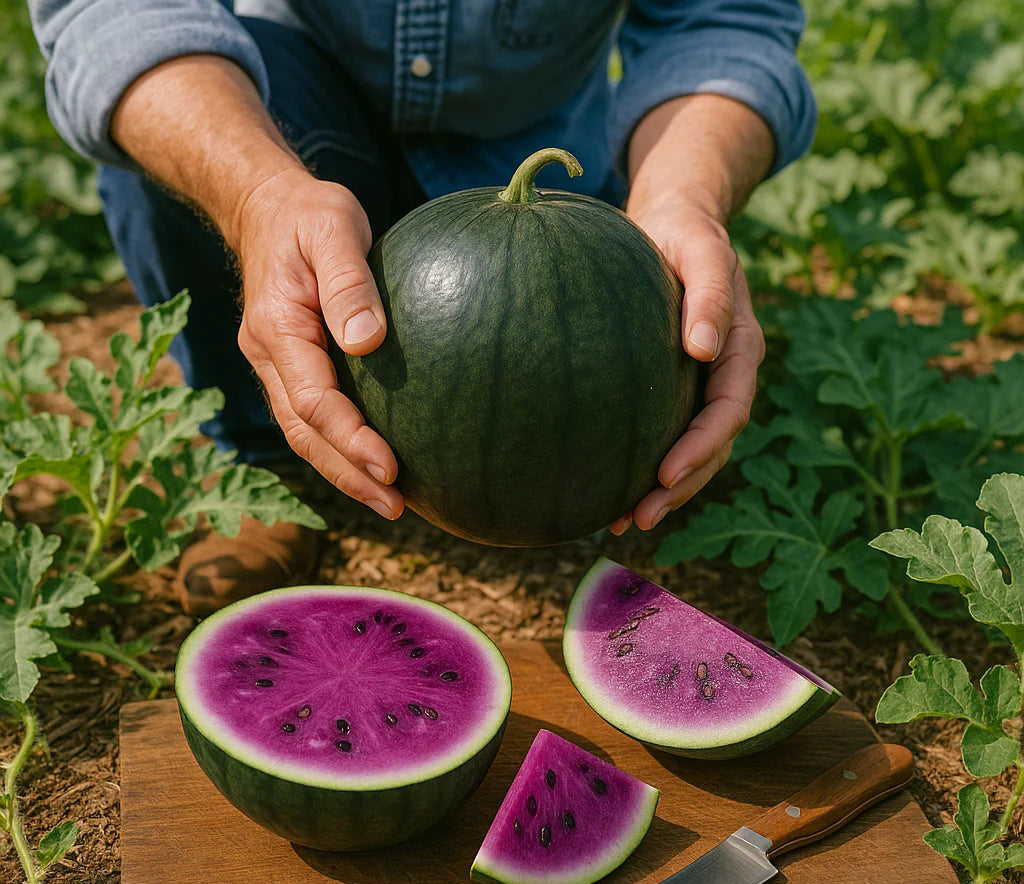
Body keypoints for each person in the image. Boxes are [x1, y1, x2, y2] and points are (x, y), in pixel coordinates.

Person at [27, 0, 816, 613]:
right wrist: (259, 196)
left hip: (544, 192)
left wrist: (683, 198)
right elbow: (115, 15)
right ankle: (257, 454)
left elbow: (722, 19)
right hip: (294, 130)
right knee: (176, 118)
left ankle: (572, 442)